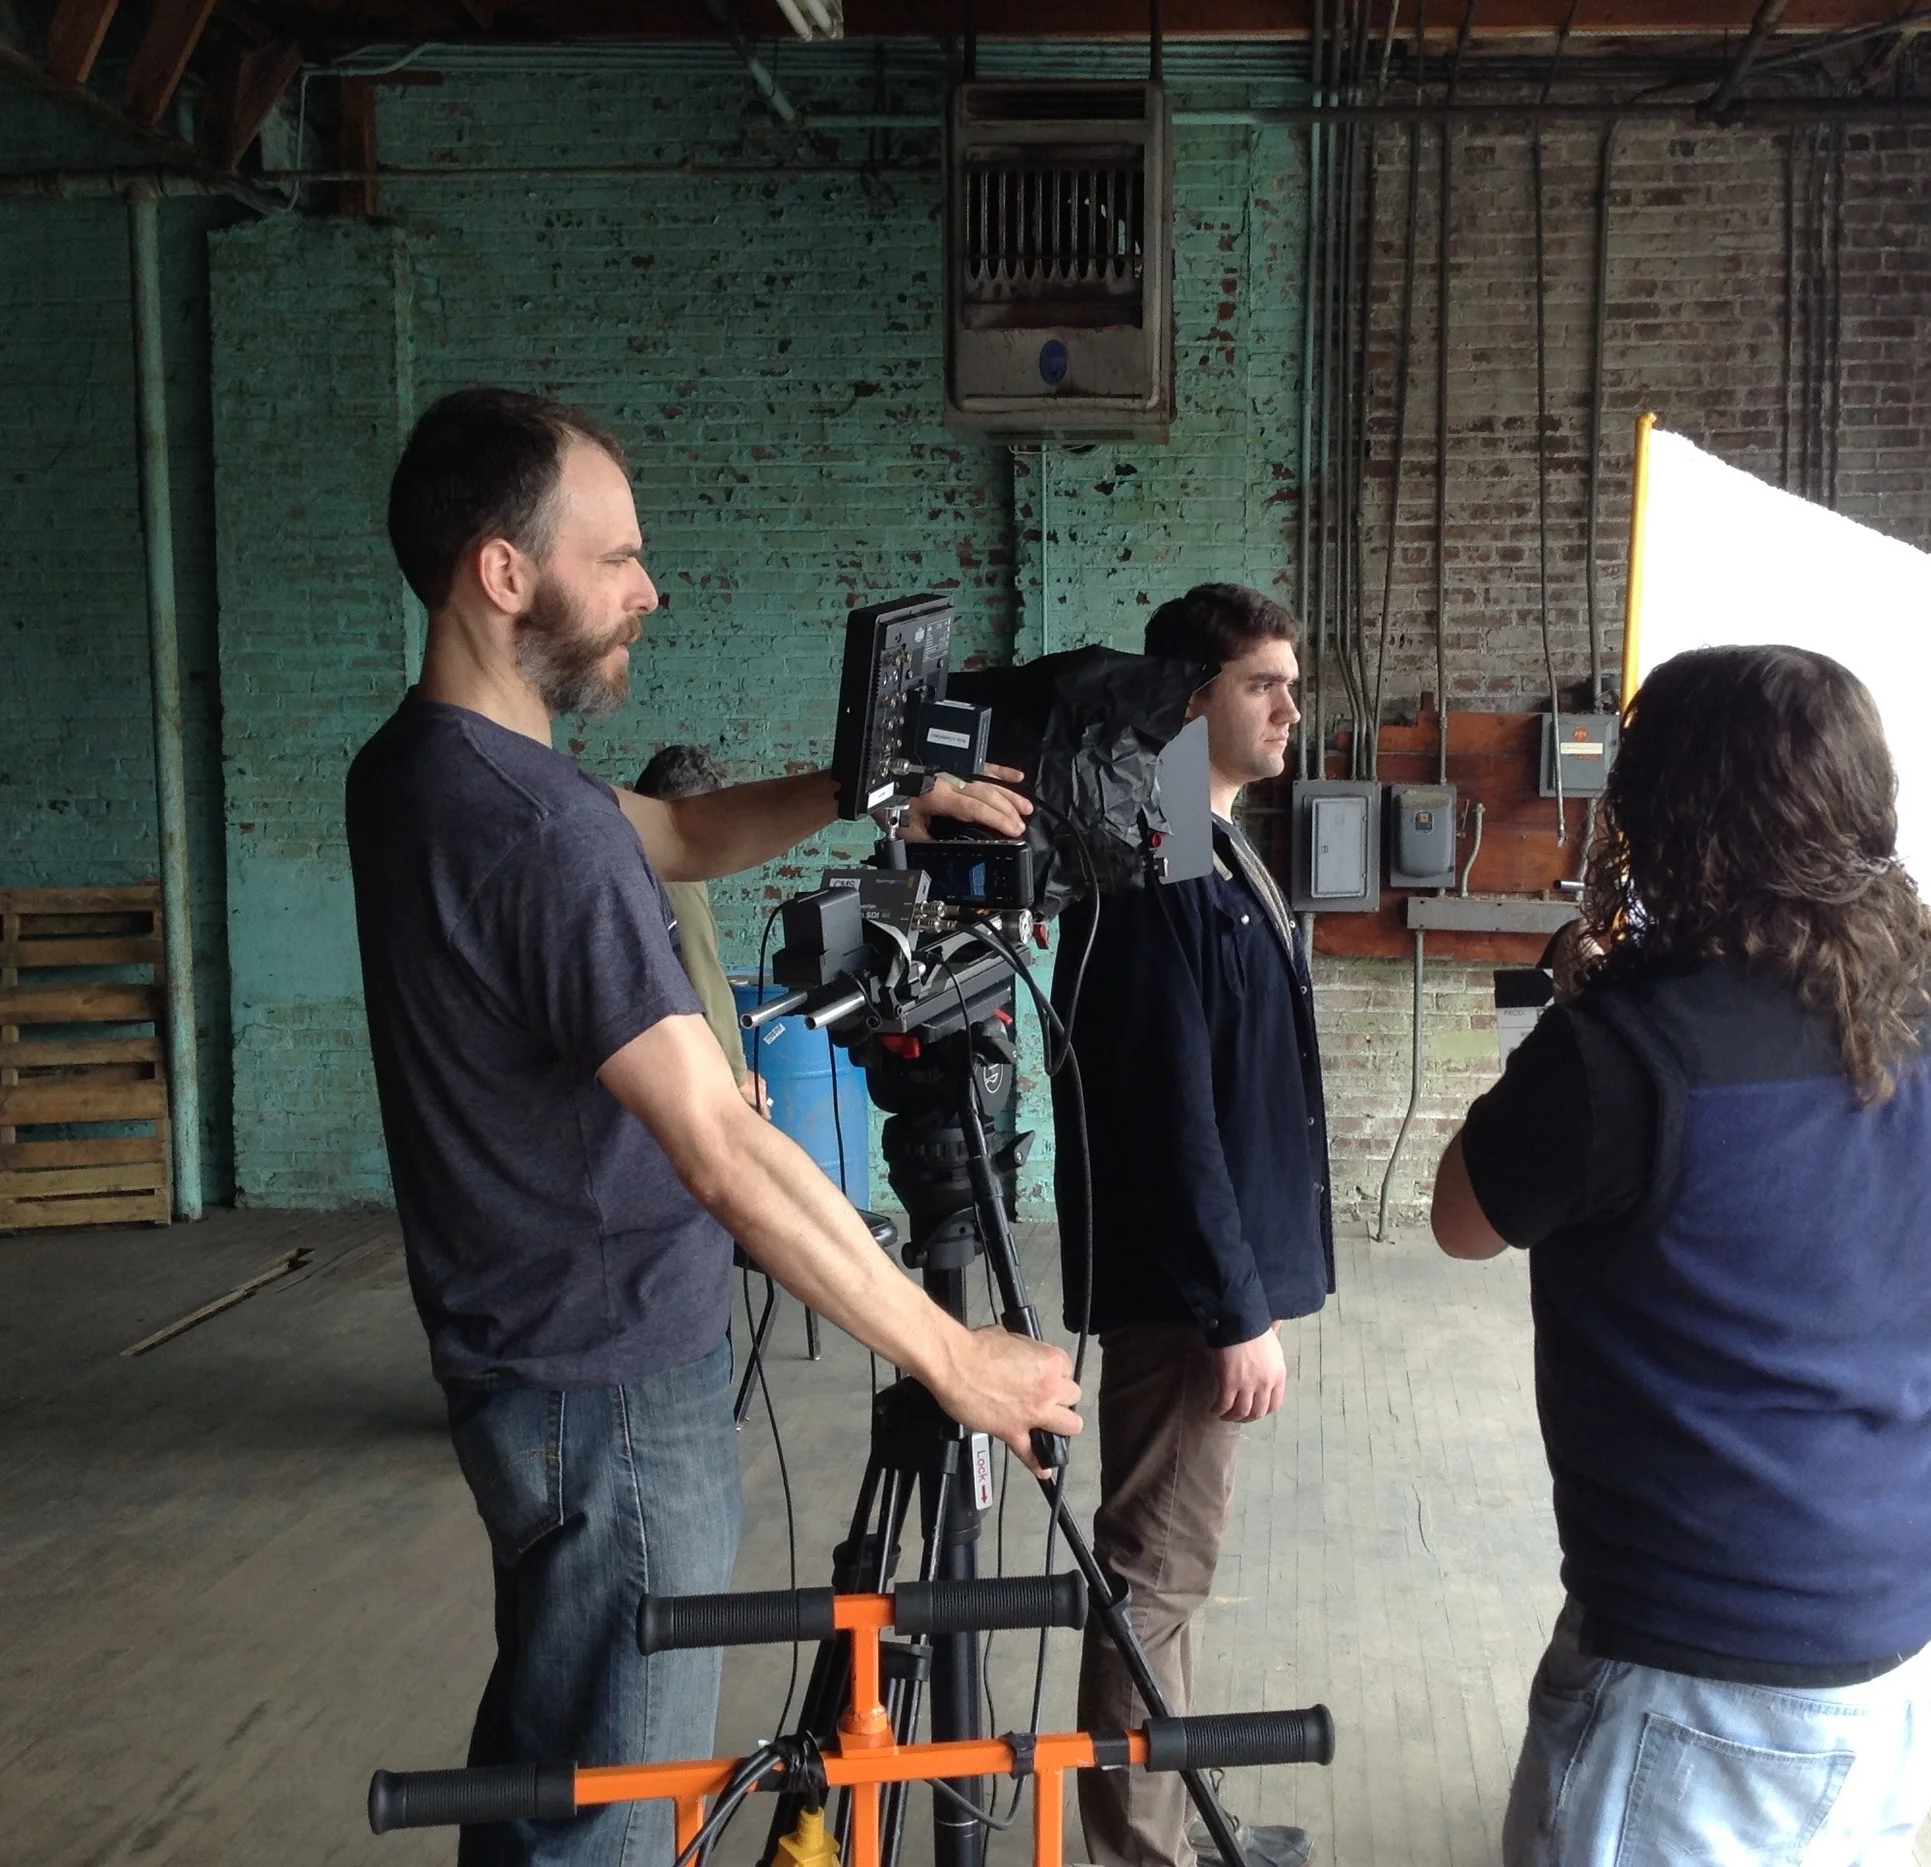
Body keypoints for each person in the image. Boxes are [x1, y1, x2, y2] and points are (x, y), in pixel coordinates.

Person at [347, 385, 1083, 1867]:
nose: (649, 590)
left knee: (550, 1754)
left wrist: (870, 790)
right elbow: (723, 1148)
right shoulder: (541, 831)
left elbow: (681, 833)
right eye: (618, 557)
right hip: (613, 1385)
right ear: (505, 571)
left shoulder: (422, 766)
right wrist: (949, 1355)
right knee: (610, 1813)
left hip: (527, 1365)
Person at [1429, 645, 1931, 1867]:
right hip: (1914, 1632)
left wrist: (1575, 1014)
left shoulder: (1623, 1053)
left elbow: (1461, 1219)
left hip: (1711, 1674)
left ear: (1665, 815)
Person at [1050, 583, 1332, 1867]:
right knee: (1152, 1574)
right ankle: (1138, 1850)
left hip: (1210, 1282)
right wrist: (1232, 1307)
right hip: (1184, 1296)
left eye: (1290, 683)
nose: (1289, 708)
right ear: (1186, 700)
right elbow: (1170, 1116)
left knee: (1175, 1569)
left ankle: (1180, 1810)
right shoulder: (1155, 866)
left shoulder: (1204, 841)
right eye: (1261, 683)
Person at [630, 743, 767, 1118]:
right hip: (665, 1067)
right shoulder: (674, 873)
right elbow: (700, 972)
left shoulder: (618, 849)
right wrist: (737, 1077)